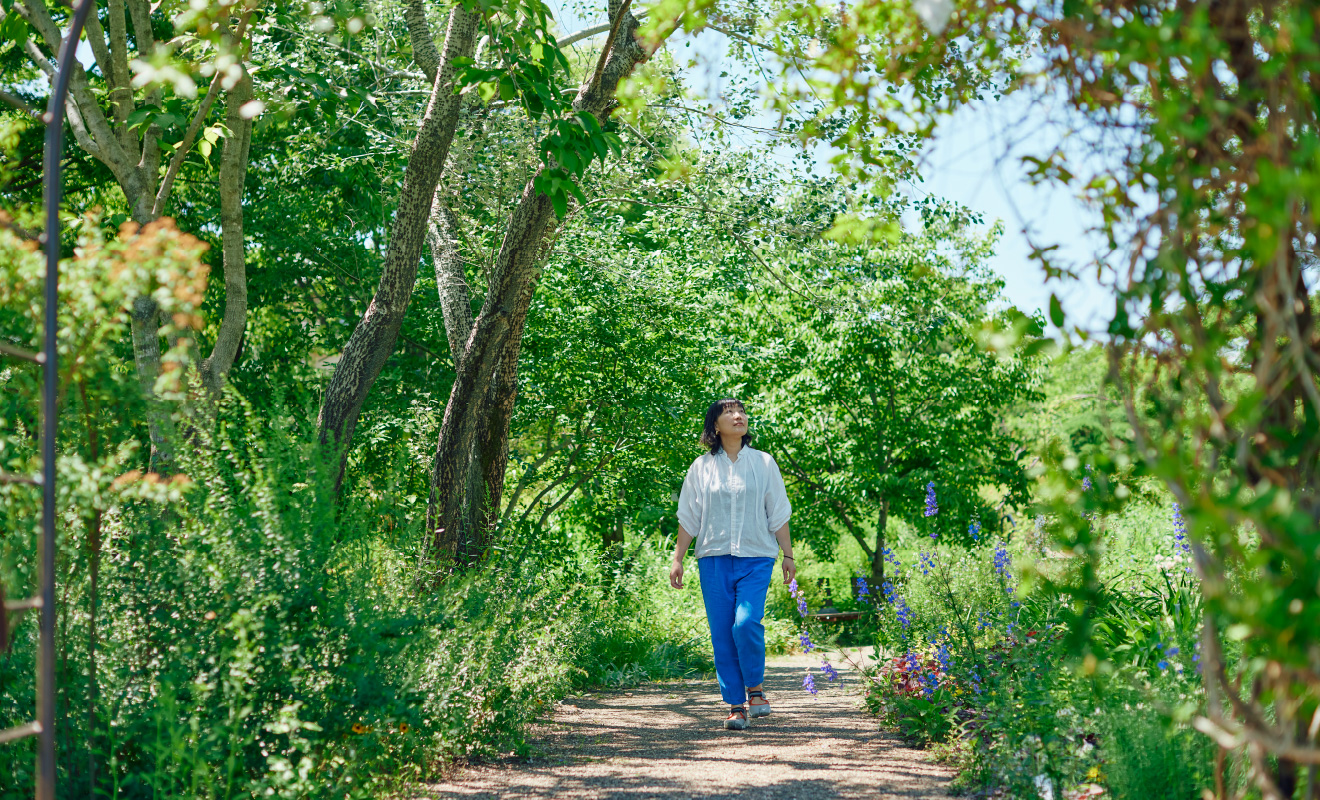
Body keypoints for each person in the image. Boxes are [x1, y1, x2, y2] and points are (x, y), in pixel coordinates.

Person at [670, 398, 795, 730]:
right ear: (715, 425)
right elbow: (689, 516)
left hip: (757, 556)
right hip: (713, 559)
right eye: (729, 412)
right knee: (722, 633)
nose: (738, 416)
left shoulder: (765, 463)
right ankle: (736, 706)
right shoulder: (701, 467)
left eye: (741, 412)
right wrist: (678, 558)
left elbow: (778, 512)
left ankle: (756, 689)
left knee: (745, 623)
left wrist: (789, 555)